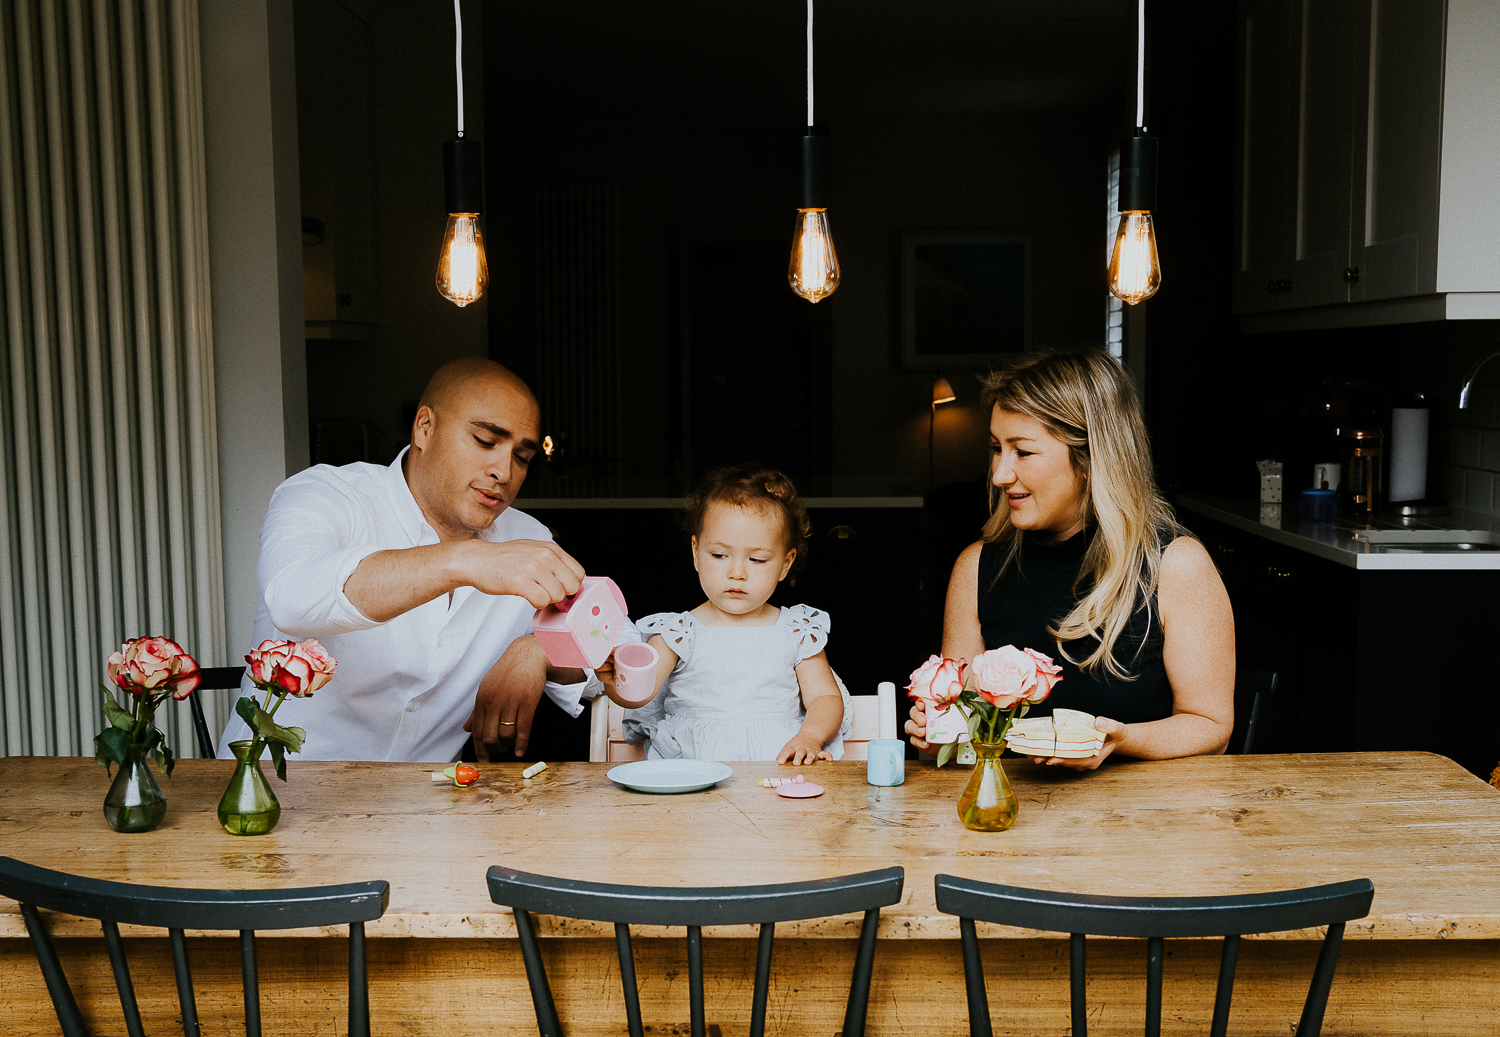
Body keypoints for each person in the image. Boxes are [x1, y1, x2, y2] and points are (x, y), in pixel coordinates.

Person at [216, 357, 596, 763]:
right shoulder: (324, 494)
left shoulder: (528, 540)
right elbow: (292, 598)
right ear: (424, 427)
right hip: (274, 802)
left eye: (522, 457)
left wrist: (537, 650)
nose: (503, 471)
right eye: (486, 441)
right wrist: (464, 560)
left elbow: (613, 647)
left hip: (426, 812)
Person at [906, 346, 1235, 768]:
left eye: (1022, 452)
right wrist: (939, 736)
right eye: (995, 448)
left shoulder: (1176, 566)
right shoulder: (976, 568)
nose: (1000, 474)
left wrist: (1123, 740)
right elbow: (964, 725)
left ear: (1089, 459)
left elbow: (1211, 728)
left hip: (1143, 819)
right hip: (1009, 814)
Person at [599, 466, 850, 763]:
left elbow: (825, 698)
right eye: (719, 555)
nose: (736, 573)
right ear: (696, 551)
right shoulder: (678, 631)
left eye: (757, 559)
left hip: (776, 769)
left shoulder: (795, 630)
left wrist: (810, 736)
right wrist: (615, 682)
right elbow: (639, 695)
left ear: (785, 563)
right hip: (690, 773)